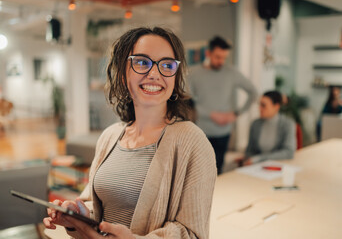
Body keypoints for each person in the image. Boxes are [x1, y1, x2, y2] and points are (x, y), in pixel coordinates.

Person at [43, 27, 217, 239]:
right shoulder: (109, 136)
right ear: (123, 75)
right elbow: (95, 206)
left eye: (167, 65)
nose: (154, 74)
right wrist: (77, 214)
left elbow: (193, 234)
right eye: (142, 62)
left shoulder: (192, 141)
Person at [188, 36, 257, 174]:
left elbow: (253, 92)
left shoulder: (231, 73)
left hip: (224, 132)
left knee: (217, 169)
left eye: (224, 58)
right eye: (217, 57)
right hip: (202, 131)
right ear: (208, 53)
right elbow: (187, 101)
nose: (221, 61)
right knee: (198, 170)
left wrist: (237, 113)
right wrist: (211, 114)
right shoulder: (194, 73)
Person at [238, 91, 296, 165]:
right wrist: (247, 158)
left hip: (278, 165)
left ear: (276, 107)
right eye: (259, 105)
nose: (259, 108)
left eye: (263, 105)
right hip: (256, 167)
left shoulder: (287, 124)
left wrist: (259, 159)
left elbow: (289, 152)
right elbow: (250, 150)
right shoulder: (255, 124)